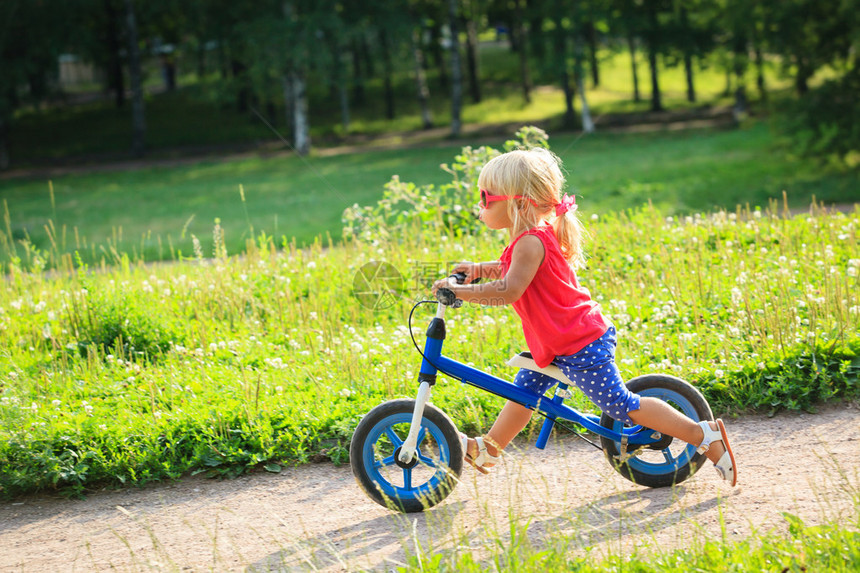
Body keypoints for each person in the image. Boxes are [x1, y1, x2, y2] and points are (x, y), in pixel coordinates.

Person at [431, 148, 737, 486]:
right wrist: (478, 270)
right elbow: (513, 271)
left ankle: (703, 435)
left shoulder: (530, 242)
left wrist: (459, 291)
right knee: (523, 394)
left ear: (518, 204)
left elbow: (509, 290)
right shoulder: (527, 241)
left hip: (579, 342)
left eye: (486, 198)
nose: (480, 205)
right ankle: (487, 449)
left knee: (621, 405)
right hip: (558, 340)